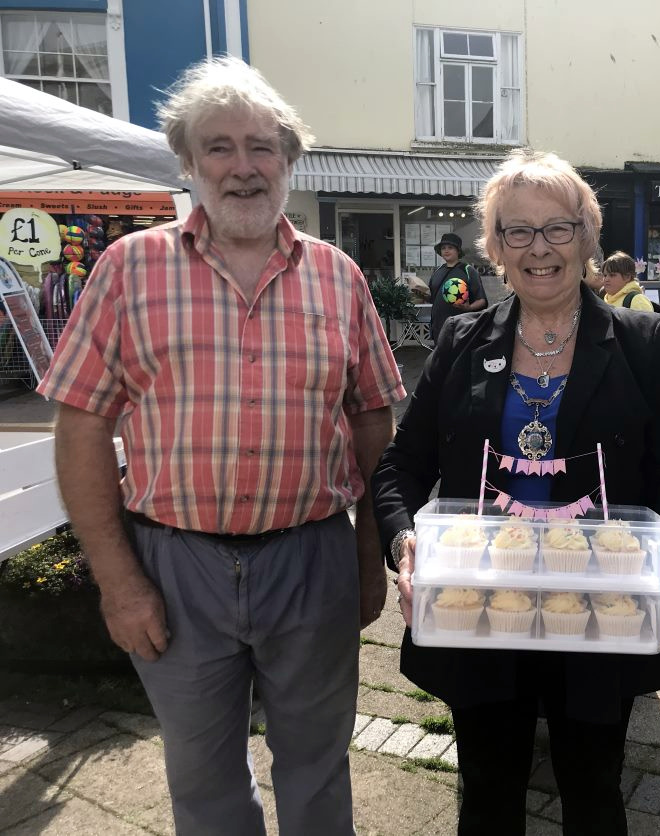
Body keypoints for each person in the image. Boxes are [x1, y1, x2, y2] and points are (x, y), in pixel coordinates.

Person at [37, 56, 406, 835]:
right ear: (188, 162)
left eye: (262, 145)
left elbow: (374, 420)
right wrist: (117, 581)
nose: (243, 167)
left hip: (312, 561)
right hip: (174, 567)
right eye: (219, 146)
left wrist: (368, 556)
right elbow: (79, 425)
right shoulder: (127, 269)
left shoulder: (340, 278)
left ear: (289, 159)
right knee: (200, 778)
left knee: (317, 765)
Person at [371, 149, 660, 835]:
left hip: (599, 612)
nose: (539, 248)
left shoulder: (644, 342)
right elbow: (398, 467)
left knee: (592, 791)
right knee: (488, 797)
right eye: (516, 231)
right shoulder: (461, 340)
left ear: (588, 236)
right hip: (479, 610)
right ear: (493, 246)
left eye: (558, 227)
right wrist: (406, 540)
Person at [428, 231, 487, 341]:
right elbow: (433, 298)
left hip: (460, 329)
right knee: (440, 358)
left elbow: (482, 300)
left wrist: (468, 308)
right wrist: (420, 294)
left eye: (450, 247)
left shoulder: (468, 270)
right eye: (443, 248)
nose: (446, 250)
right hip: (438, 328)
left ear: (458, 251)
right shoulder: (437, 271)